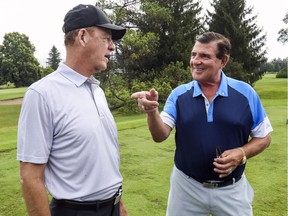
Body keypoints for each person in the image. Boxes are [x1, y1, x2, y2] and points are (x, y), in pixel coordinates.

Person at [131, 32, 273, 216]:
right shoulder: (179, 95)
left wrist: (242, 153)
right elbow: (160, 135)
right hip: (186, 188)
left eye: (204, 56)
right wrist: (152, 112)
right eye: (193, 55)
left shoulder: (245, 93)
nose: (195, 61)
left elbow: (264, 137)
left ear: (223, 61)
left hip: (232, 190)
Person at [17, 4, 128, 216]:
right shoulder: (42, 94)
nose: (112, 47)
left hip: (113, 207)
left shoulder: (97, 91)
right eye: (106, 38)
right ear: (83, 37)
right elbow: (30, 177)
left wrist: (119, 205)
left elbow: (104, 159)